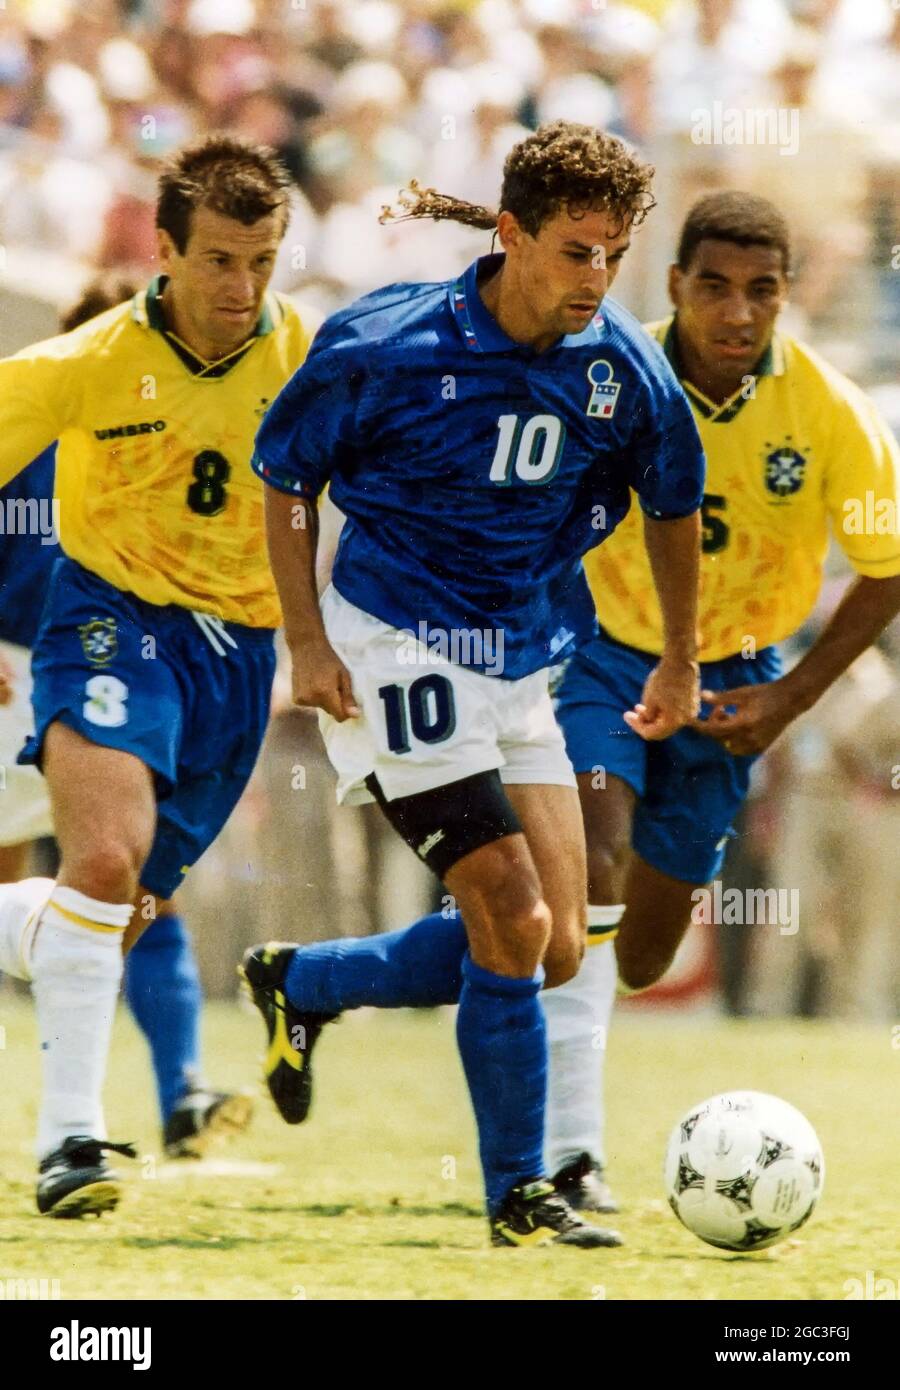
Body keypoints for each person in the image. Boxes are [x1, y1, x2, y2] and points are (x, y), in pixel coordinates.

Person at [243, 120, 706, 1249]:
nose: (596, 277)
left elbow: (674, 501)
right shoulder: (384, 340)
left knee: (550, 946)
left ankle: (305, 982)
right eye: (574, 251)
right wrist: (305, 639)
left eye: (613, 253)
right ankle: (520, 1194)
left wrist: (682, 655)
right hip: (395, 642)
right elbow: (287, 479)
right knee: (508, 908)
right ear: (511, 236)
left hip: (524, 653)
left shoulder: (624, 368)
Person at [543, 190, 900, 1211]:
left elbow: (886, 567)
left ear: (787, 294)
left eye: (762, 290)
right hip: (606, 656)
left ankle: (338, 979)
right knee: (593, 859)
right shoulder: (607, 375)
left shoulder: (834, 413)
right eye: (715, 286)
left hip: (736, 686)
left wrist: (788, 696)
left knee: (640, 955)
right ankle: (572, 1151)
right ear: (675, 286)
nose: (737, 313)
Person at [0, 134, 320, 1217]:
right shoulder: (88, 362)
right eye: (221, 260)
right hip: (107, 617)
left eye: (263, 261)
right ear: (167, 252)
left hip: (237, 657)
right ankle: (71, 1142)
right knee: (100, 854)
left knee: (117, 916)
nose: (243, 287)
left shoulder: (314, 361)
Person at [0, 272, 256, 1161]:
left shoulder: (177, 448)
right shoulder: (35, 429)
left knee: (137, 885)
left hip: (127, 676)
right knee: (69, 890)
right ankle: (64, 1119)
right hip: (17, 676)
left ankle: (178, 1090)